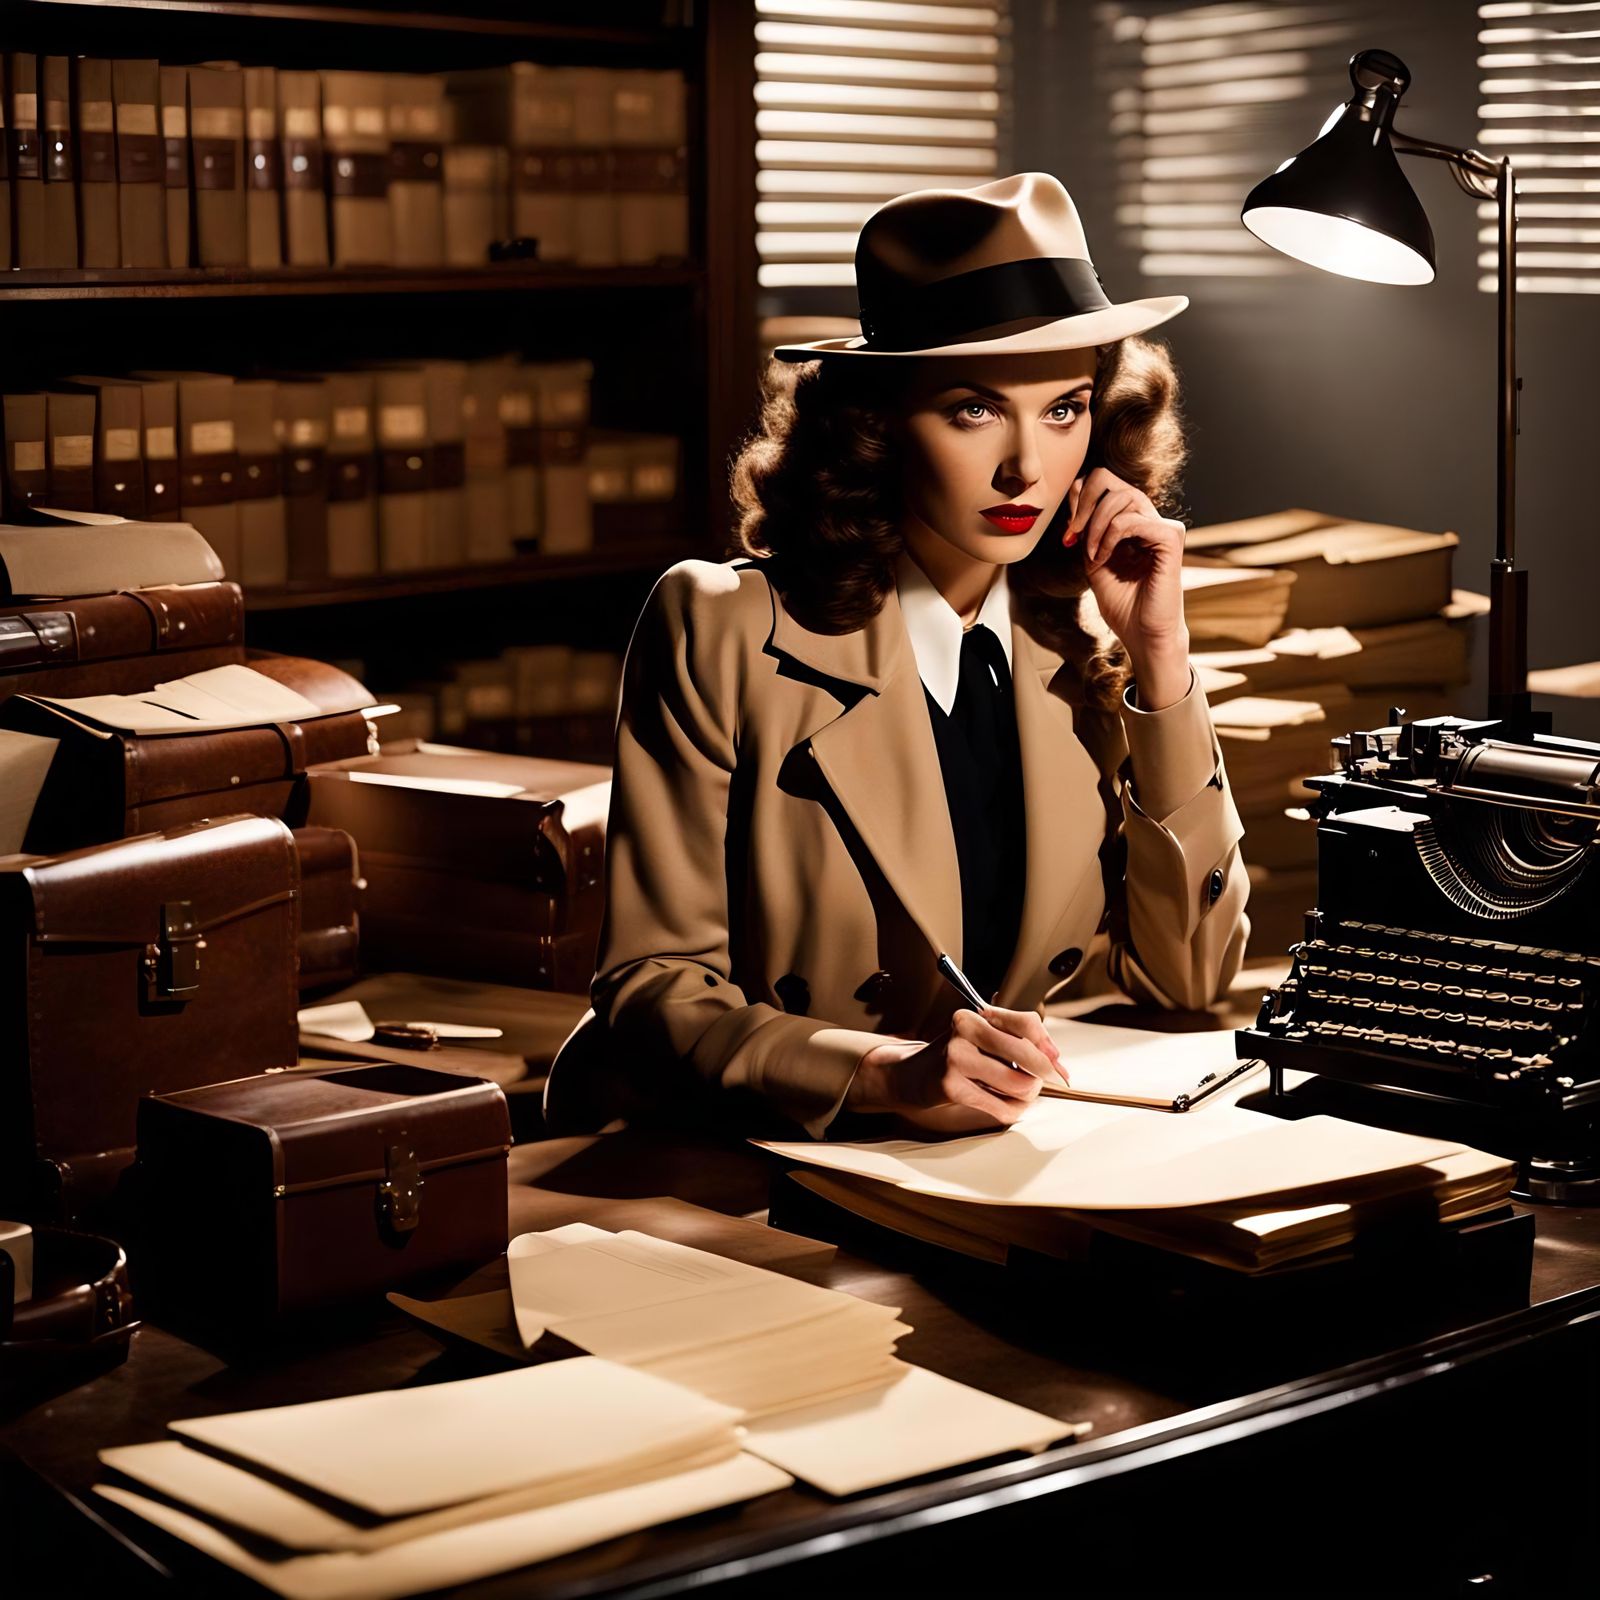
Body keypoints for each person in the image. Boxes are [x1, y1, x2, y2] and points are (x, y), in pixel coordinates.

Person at [545, 172, 1249, 1141]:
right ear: (876, 424)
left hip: (1009, 1164)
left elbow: (1193, 978)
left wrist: (1161, 659)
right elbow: (652, 986)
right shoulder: (722, 628)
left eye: (1062, 408)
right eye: (972, 410)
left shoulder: (1073, 649)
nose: (1025, 467)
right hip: (766, 1156)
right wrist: (885, 1074)